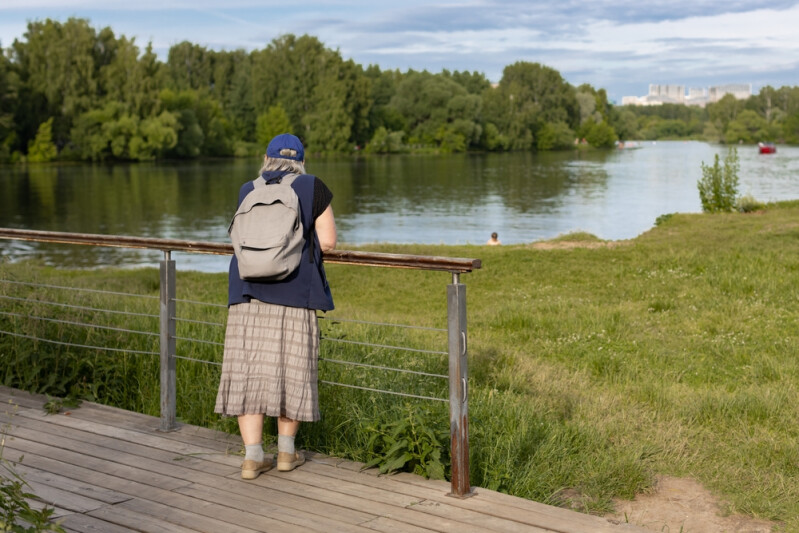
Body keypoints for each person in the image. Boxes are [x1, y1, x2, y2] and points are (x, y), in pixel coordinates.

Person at [215, 133, 336, 480]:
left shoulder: (247, 189)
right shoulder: (312, 186)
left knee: (248, 372)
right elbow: (327, 241)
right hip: (295, 295)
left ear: (266, 159)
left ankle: (253, 458)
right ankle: (285, 453)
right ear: (300, 160)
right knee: (291, 371)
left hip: (247, 292)